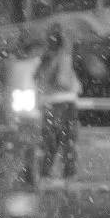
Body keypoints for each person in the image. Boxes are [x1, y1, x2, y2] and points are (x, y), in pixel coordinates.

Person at [36, 22, 81, 182]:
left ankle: (45, 173)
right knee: (68, 141)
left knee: (50, 141)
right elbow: (64, 81)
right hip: (65, 102)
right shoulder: (64, 54)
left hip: (49, 103)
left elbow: (37, 78)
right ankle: (69, 175)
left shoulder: (46, 56)